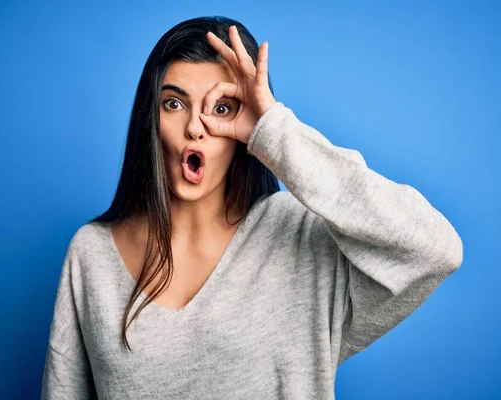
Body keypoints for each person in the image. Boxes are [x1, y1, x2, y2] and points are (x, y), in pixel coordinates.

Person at [41, 15, 463, 400]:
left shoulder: (300, 240)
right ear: (149, 119)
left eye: (221, 108)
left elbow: (435, 250)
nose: (194, 127)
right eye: (174, 103)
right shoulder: (91, 255)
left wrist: (274, 129)